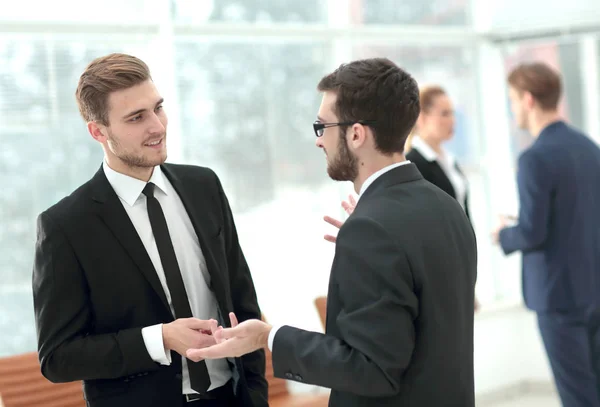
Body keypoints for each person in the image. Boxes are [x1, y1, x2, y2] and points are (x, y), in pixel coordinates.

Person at [187, 57, 478, 407]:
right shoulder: (445, 205)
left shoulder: (373, 229)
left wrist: (269, 337)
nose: (318, 141)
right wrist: (371, 238)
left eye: (322, 126)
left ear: (356, 134)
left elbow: (371, 368)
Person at [32, 53, 267, 407]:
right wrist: (160, 339)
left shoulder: (204, 186)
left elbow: (242, 299)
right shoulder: (65, 226)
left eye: (158, 108)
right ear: (99, 131)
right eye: (136, 118)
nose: (157, 126)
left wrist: (256, 395)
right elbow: (58, 357)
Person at [492, 62, 600, 407]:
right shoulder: (589, 148)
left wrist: (503, 234)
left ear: (527, 100)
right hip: (593, 288)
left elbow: (532, 233)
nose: (512, 110)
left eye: (512, 100)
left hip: (558, 297)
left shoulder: (534, 158)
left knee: (577, 395)